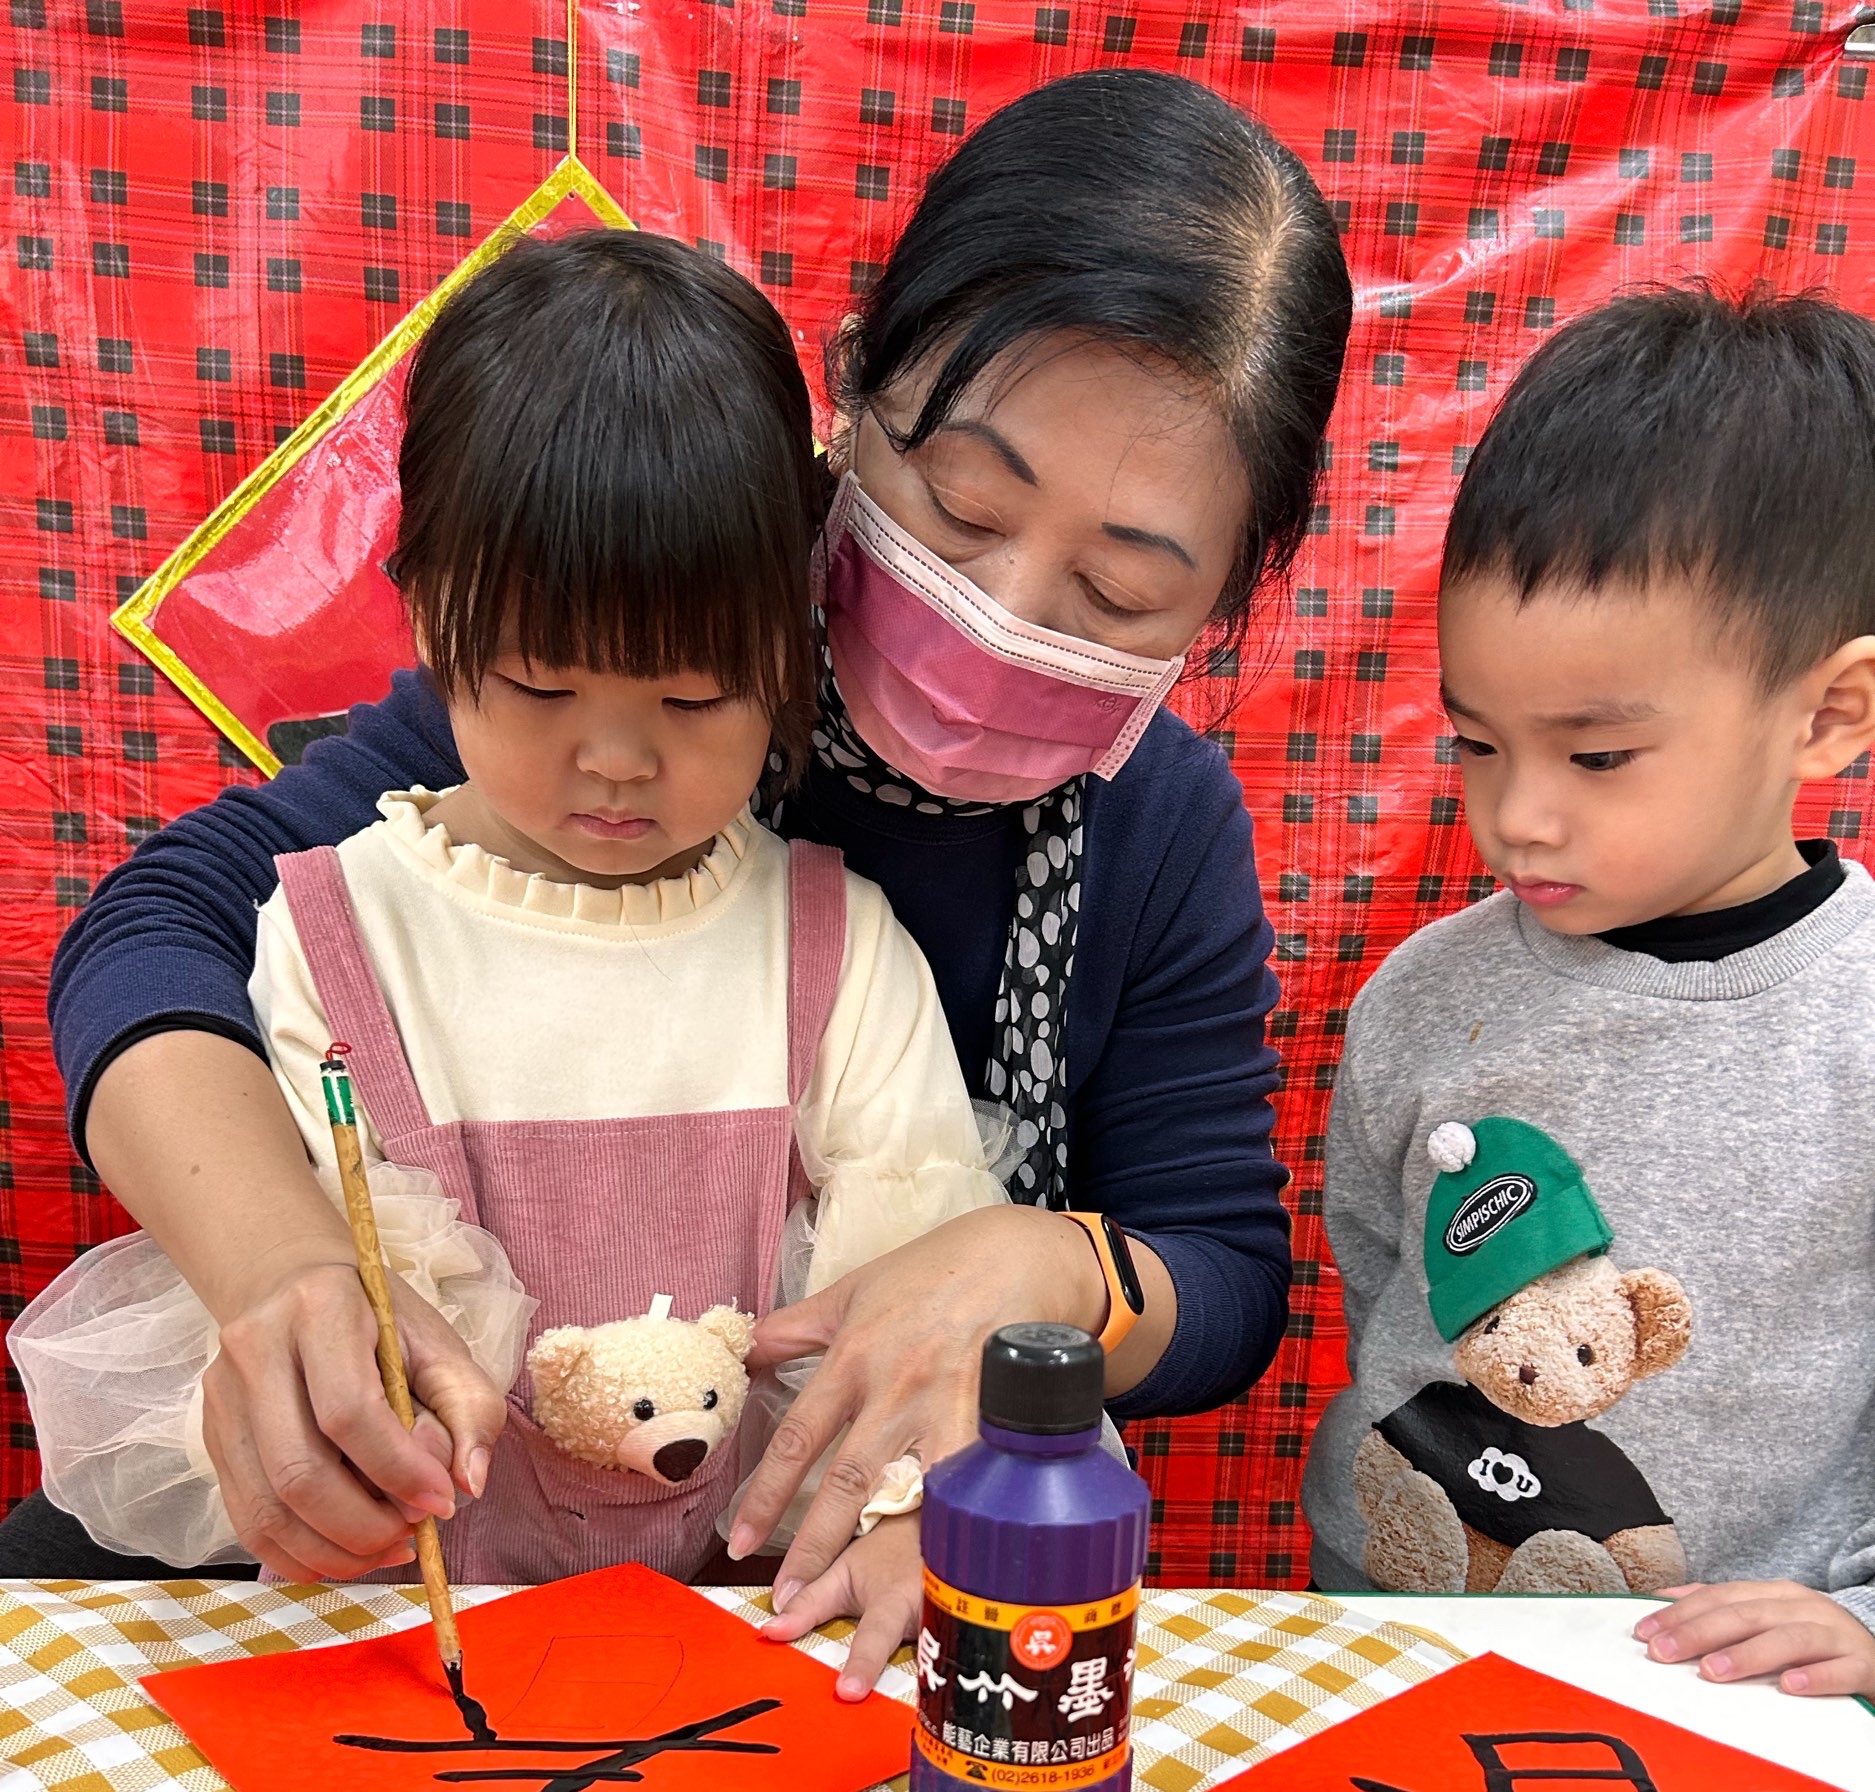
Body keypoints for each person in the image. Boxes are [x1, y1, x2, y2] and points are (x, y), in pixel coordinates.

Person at [38, 70, 1353, 1685]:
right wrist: (282, 1272)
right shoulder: (640, 640)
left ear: (1229, 595)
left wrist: (1042, 1267)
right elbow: (162, 929)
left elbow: (1223, 1275)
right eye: (961, 506)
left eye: (1117, 591)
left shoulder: (1152, 828)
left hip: (788, 1583)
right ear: (852, 392)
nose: (1002, 611)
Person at [11, 230, 1000, 1607]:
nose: (617, 760)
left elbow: (911, 1296)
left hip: (731, 1617)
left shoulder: (837, 948)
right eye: (541, 688)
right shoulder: (337, 931)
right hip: (414, 1606)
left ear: (796, 639)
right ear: (429, 618)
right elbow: (339, 1320)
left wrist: (902, 1508)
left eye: (697, 698)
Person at [1303, 285, 1875, 1699]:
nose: (1519, 819)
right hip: (1385, 1643)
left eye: (1598, 756)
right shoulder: (1426, 997)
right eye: (1478, 742)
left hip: (1743, 1701)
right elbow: (1380, 1275)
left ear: (1828, 715)